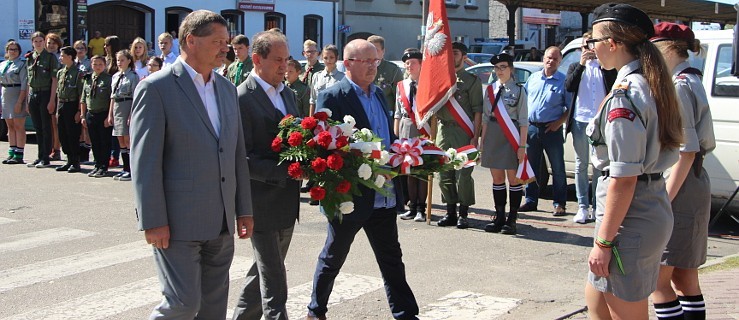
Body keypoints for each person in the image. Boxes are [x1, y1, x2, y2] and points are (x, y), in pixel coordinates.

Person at [130, 10, 254, 319]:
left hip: (221, 222)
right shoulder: (156, 89)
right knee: (182, 304)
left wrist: (244, 209)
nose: (225, 48)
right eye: (218, 41)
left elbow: (236, 153)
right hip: (177, 224)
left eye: (226, 41)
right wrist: (152, 219)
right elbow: (145, 162)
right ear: (191, 41)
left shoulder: (226, 89)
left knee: (213, 309)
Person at [306, 39, 419, 320]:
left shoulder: (379, 94)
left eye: (376, 61)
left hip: (383, 192)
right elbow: (324, 144)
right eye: (367, 61)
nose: (373, 67)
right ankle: (315, 310)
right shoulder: (332, 96)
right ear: (348, 64)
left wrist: (401, 154)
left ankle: (405, 313)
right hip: (352, 194)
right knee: (334, 256)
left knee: (392, 258)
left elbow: (387, 137)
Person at [585, 4, 683, 319]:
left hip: (630, 217)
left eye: (593, 41)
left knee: (626, 312)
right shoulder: (647, 80)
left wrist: (603, 241)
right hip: (640, 210)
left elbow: (624, 179)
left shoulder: (626, 94)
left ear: (612, 43)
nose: (591, 48)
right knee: (597, 301)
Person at [231, 30, 300, 320]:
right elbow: (241, 158)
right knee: (273, 277)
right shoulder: (242, 98)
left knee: (264, 269)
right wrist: (284, 171)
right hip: (258, 201)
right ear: (257, 59)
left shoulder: (289, 94)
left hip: (287, 200)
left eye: (286, 60)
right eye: (277, 60)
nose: (284, 66)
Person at [650, 22, 716, 320]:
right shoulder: (691, 80)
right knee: (684, 278)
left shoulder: (678, 86)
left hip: (681, 185)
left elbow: (686, 153)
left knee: (658, 280)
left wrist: (663, 199)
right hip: (693, 183)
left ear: (667, 48)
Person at [565, 33, 618, 224]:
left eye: (592, 45)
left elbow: (613, 84)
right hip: (580, 120)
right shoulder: (575, 66)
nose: (589, 50)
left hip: (599, 121)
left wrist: (602, 64)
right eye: (585, 46)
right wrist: (581, 64)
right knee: (581, 164)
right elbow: (569, 86)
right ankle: (582, 206)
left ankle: (597, 206)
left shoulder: (605, 68)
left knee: (599, 165)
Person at [435, 42, 482, 229]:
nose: (451, 57)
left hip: (464, 131)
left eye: (454, 53)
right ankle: (450, 212)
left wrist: (475, 137)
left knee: (463, 175)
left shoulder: (471, 80)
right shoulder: (441, 79)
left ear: (463, 56)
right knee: (444, 174)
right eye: (449, 53)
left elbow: (478, 110)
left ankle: (463, 213)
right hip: (444, 131)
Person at [519, 46, 570, 216]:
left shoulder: (563, 81)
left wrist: (558, 122)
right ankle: (531, 200)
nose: (551, 61)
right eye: (548, 57)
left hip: (552, 130)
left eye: (555, 59)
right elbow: (523, 101)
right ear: (543, 58)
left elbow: (571, 108)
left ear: (560, 61)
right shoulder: (533, 78)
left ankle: (559, 204)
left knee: (557, 168)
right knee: (531, 167)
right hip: (532, 128)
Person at [480, 53, 527, 234]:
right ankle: (499, 216)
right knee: (497, 178)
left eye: (503, 67)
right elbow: (485, 118)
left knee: (513, 179)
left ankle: (512, 218)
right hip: (493, 134)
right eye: (497, 68)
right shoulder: (490, 90)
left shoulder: (519, 90)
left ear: (511, 69)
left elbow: (523, 120)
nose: (500, 71)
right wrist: (482, 142)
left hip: (511, 135)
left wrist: (522, 146)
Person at [395, 49, 428, 222]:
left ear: (421, 64)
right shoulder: (401, 85)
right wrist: (396, 132)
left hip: (423, 127)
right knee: (408, 169)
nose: (409, 66)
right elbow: (397, 112)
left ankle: (422, 207)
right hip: (405, 127)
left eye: (413, 63)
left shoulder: (428, 84)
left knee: (421, 169)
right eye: (407, 63)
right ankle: (412, 206)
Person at [26, 31, 59, 168]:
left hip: (45, 93)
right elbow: (29, 80)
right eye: (36, 41)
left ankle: (46, 157)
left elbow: (54, 80)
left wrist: (52, 100)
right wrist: (28, 99)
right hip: (33, 93)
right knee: (37, 127)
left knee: (46, 126)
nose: (38, 44)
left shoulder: (50, 57)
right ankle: (39, 155)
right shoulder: (30, 57)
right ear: (32, 43)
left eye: (41, 41)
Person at [107, 49, 139, 181]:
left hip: (127, 105)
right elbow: (112, 97)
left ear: (129, 61)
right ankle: (125, 168)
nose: (120, 63)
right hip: (117, 107)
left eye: (122, 60)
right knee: (120, 138)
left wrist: (131, 114)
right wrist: (110, 114)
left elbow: (135, 96)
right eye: (118, 60)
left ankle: (132, 169)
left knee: (128, 139)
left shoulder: (133, 76)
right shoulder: (115, 76)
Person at [80, 55, 112, 178]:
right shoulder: (88, 79)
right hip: (91, 113)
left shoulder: (108, 80)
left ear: (105, 65)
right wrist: (83, 115)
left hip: (103, 113)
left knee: (104, 141)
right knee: (94, 141)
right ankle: (97, 164)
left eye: (100, 64)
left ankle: (104, 166)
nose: (97, 67)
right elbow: (83, 98)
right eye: (95, 64)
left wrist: (108, 116)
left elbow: (111, 99)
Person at [54, 46, 83, 173]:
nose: (60, 58)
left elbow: (80, 93)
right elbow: (58, 92)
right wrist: (57, 109)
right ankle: (68, 159)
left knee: (72, 134)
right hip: (62, 104)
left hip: (72, 105)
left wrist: (78, 111)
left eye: (62, 56)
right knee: (63, 134)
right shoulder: (61, 72)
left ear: (70, 57)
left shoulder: (78, 73)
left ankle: (75, 161)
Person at [0, 40, 28, 164]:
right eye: (10, 49)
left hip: (16, 93)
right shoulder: (3, 64)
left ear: (19, 51)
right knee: (10, 126)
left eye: (15, 49)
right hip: (6, 94)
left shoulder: (22, 64)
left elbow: (24, 84)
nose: (13, 51)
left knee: (18, 126)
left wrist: (20, 101)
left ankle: (19, 154)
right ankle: (11, 152)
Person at [368, 35, 404, 112]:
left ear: (383, 51)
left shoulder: (393, 70)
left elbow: (399, 98)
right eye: (370, 50)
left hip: (385, 115)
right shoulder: (361, 68)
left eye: (376, 50)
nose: (373, 53)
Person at [309, 44, 344, 116]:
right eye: (325, 58)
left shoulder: (343, 78)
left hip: (336, 117)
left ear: (336, 58)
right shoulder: (316, 76)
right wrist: (311, 120)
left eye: (331, 57)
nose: (328, 60)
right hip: (318, 118)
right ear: (322, 58)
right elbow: (312, 101)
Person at [73, 40, 92, 163]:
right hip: (73, 96)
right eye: (77, 48)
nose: (79, 50)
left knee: (85, 126)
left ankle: (86, 152)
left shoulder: (89, 63)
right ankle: (78, 151)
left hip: (85, 96)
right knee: (77, 126)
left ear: (85, 50)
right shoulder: (72, 63)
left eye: (82, 48)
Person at [46, 32, 64, 161]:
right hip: (44, 92)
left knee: (55, 124)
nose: (51, 45)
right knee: (46, 124)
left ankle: (56, 149)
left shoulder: (61, 58)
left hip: (57, 93)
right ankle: (47, 148)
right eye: (49, 43)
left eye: (54, 43)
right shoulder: (43, 57)